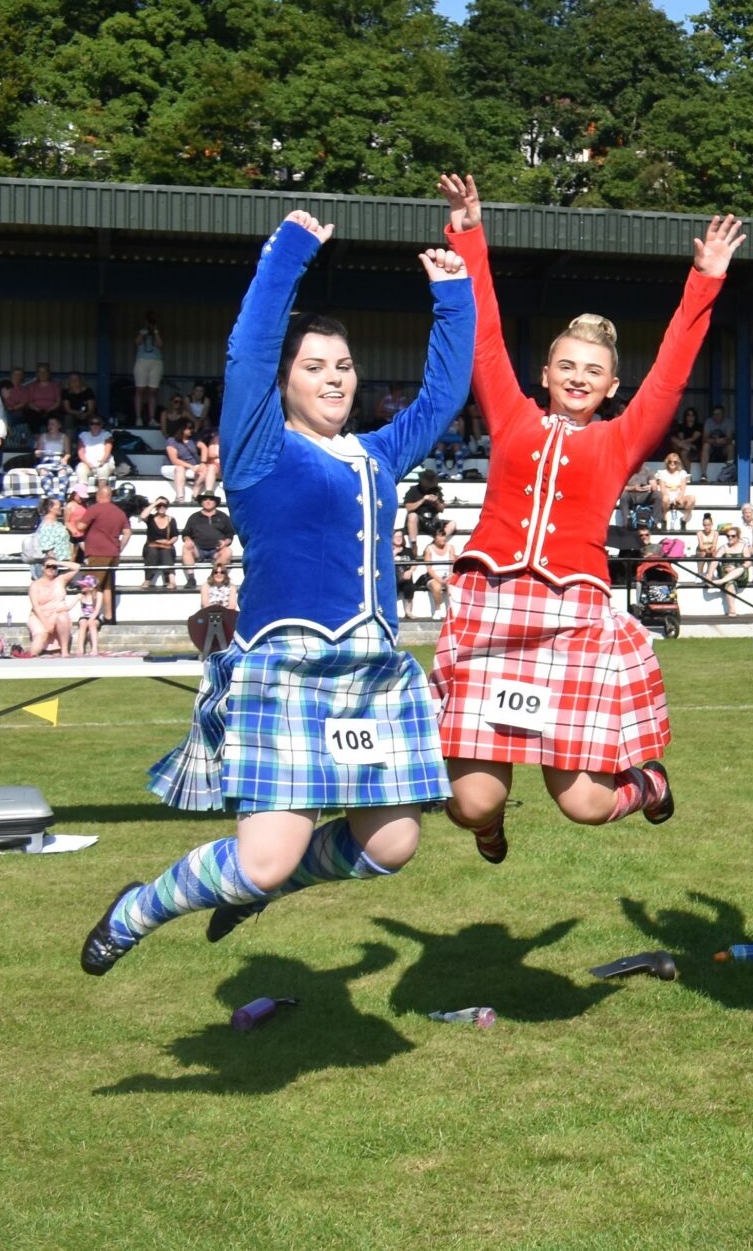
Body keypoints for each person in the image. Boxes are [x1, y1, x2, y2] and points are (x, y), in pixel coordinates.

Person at [82, 209, 472, 975]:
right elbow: (249, 349)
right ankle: (140, 907)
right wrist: (288, 252)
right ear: (285, 381)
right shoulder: (260, 452)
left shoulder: (378, 453)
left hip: (368, 674)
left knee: (392, 844)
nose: (335, 376)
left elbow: (442, 396)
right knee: (263, 859)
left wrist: (455, 298)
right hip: (286, 673)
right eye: (316, 365)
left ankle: (256, 884)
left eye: (345, 364)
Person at [428, 175, 734, 865]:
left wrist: (704, 280)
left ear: (611, 385)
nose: (576, 377)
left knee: (586, 805)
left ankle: (649, 784)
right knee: (470, 800)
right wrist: (468, 231)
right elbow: (485, 335)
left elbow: (672, 372)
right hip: (491, 608)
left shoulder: (620, 439)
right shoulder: (509, 415)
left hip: (571, 617)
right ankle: (488, 825)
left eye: (591, 370)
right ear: (544, 372)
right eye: (565, 365)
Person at [77, 483, 130, 622]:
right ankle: (109, 615)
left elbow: (81, 526)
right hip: (113, 553)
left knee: (91, 584)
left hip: (97, 552)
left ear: (99, 496)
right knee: (107, 585)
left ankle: (90, 615)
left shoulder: (95, 509)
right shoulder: (119, 512)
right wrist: (120, 548)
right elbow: (127, 532)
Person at [25, 557, 75, 656]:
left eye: (54, 567)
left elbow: (76, 567)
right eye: (48, 566)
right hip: (39, 616)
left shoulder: (60, 580)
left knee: (63, 617)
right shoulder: (35, 585)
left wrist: (57, 562)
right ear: (43, 568)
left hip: (57, 614)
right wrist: (46, 623)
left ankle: (64, 652)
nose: (51, 568)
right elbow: (35, 606)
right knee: (41, 634)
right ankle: (31, 655)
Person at [181, 492, 234, 586]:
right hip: (198, 550)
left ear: (215, 502)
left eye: (211, 500)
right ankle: (191, 578)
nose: (208, 502)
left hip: (217, 551)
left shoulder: (223, 516)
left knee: (227, 551)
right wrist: (188, 540)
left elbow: (229, 535)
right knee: (186, 545)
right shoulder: (194, 517)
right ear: (201, 502)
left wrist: (224, 543)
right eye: (205, 500)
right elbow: (185, 533)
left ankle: (213, 577)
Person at [140, 498, 181, 590]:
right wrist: (155, 503)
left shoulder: (171, 519)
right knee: (152, 552)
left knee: (166, 552)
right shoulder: (150, 518)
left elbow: (175, 535)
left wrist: (169, 542)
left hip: (166, 545)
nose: (162, 507)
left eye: (164, 506)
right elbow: (142, 516)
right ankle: (147, 579)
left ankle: (171, 580)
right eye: (159, 506)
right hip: (152, 545)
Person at [653, 452, 696, 531]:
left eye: (675, 462)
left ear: (678, 463)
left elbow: (683, 489)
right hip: (667, 499)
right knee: (665, 498)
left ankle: (683, 520)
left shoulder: (682, 473)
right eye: (670, 461)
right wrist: (669, 499)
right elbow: (663, 490)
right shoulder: (662, 473)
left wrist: (678, 498)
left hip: (678, 498)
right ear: (667, 462)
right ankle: (665, 520)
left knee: (692, 498)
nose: (672, 463)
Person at [164, 420, 202, 502]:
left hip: (191, 467)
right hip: (171, 467)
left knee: (205, 469)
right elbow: (174, 460)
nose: (191, 430)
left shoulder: (193, 440)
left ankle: (195, 494)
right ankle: (180, 497)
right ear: (182, 429)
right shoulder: (171, 441)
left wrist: (203, 463)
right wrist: (191, 466)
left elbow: (204, 448)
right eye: (189, 428)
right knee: (180, 468)